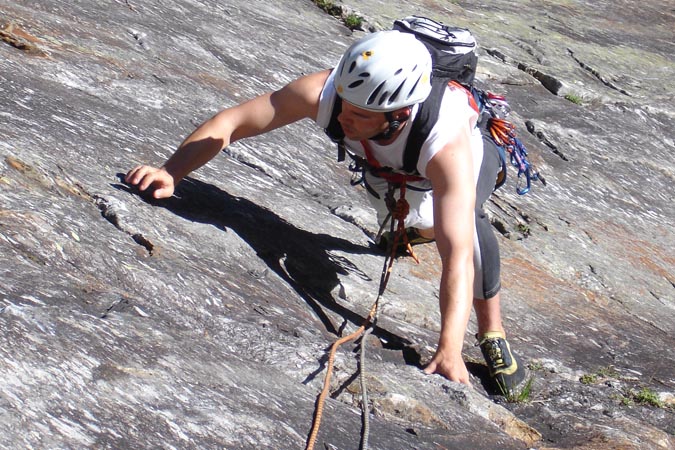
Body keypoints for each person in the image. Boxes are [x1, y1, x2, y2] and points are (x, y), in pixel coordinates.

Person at [125, 30, 525, 393]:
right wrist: (171, 172)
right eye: (344, 106)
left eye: (360, 115)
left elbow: (456, 257)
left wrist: (449, 347)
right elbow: (231, 123)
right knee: (410, 211)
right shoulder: (325, 93)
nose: (343, 119)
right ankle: (410, 226)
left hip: (466, 158)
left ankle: (492, 332)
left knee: (460, 224)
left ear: (400, 113)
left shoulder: (446, 145)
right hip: (387, 164)